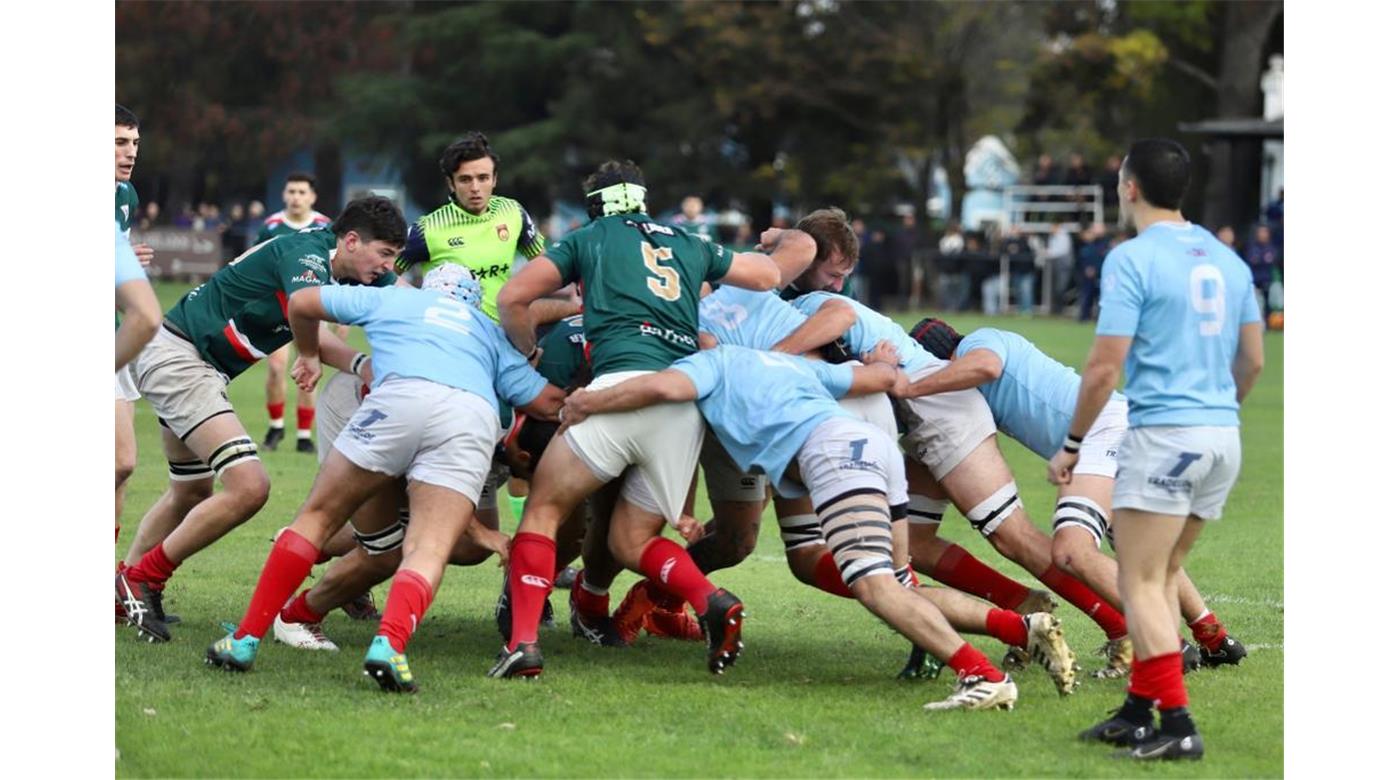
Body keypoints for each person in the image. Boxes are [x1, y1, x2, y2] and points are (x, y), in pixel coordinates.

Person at [561, 344, 1040, 711]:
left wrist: (592, 401)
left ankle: (982, 675)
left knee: (873, 587)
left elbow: (664, 388)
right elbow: (871, 376)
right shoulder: (787, 363)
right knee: (898, 582)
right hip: (875, 448)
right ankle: (1022, 632)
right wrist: (882, 361)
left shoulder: (712, 361)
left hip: (832, 455)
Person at [491, 159, 797, 678]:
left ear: (595, 207)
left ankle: (522, 643)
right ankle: (711, 600)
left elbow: (512, 297)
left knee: (543, 509)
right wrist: (792, 239)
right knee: (630, 541)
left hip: (617, 388)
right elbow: (768, 275)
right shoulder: (689, 241)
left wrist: (526, 350)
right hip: (681, 405)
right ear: (644, 200)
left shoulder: (587, 238)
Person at [205, 265, 563, 692]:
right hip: (469, 416)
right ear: (472, 299)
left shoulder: (395, 297)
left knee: (317, 518)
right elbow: (545, 402)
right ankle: (389, 646)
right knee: (428, 547)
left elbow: (301, 303)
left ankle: (244, 640)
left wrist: (308, 353)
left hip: (397, 399)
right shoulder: (487, 331)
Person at [792, 290, 1134, 678]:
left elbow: (980, 367)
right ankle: (1018, 604)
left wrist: (899, 382)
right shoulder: (854, 326)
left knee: (1015, 537)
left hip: (950, 420)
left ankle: (1126, 627)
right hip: (924, 429)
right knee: (912, 544)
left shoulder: (971, 348)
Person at [1052, 138, 1264, 760]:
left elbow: (1101, 370)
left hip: (1165, 436)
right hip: (1222, 436)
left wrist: (1071, 444)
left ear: (1130, 187)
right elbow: (1251, 360)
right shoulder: (1230, 260)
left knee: (1138, 579)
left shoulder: (1132, 258)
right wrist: (1215, 415)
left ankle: (1177, 725)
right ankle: (1138, 710)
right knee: (1164, 574)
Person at [115, 197, 406, 644]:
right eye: (383, 254)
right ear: (350, 240)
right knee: (249, 487)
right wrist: (314, 354)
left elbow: (405, 305)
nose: (386, 266)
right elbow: (304, 310)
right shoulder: (306, 256)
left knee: (190, 490)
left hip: (191, 360)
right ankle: (143, 578)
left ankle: (121, 592)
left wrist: (368, 363)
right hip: (180, 357)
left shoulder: (346, 262)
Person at [908, 318, 1248, 669]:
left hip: (1105, 434)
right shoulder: (982, 361)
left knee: (1073, 552)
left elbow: (987, 365)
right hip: (1126, 430)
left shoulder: (978, 344)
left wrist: (911, 386)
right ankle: (1216, 640)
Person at [253, 173, 334, 454]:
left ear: (312, 197)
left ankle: (303, 435)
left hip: (311, 308)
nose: (296, 197)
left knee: (307, 367)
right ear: (284, 195)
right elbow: (254, 265)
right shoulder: (271, 227)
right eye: (291, 191)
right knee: (276, 368)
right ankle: (275, 427)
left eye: (302, 192)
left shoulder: (325, 227)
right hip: (276, 308)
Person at [115, 104, 156, 593]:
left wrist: (129, 261)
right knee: (119, 461)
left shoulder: (125, 195)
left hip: (116, 334)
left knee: (122, 470)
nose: (129, 153)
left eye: (134, 143)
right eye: (120, 143)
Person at [1245, 224, 1279, 327]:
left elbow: (1271, 260)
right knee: (1254, 304)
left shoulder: (1271, 247)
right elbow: (1252, 260)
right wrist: (1262, 260)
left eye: (1265, 232)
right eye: (1261, 232)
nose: (1262, 234)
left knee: (1268, 304)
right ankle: (1255, 324)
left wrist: (1260, 260)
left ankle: (1269, 324)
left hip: (1267, 280)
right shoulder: (1252, 247)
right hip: (1254, 281)